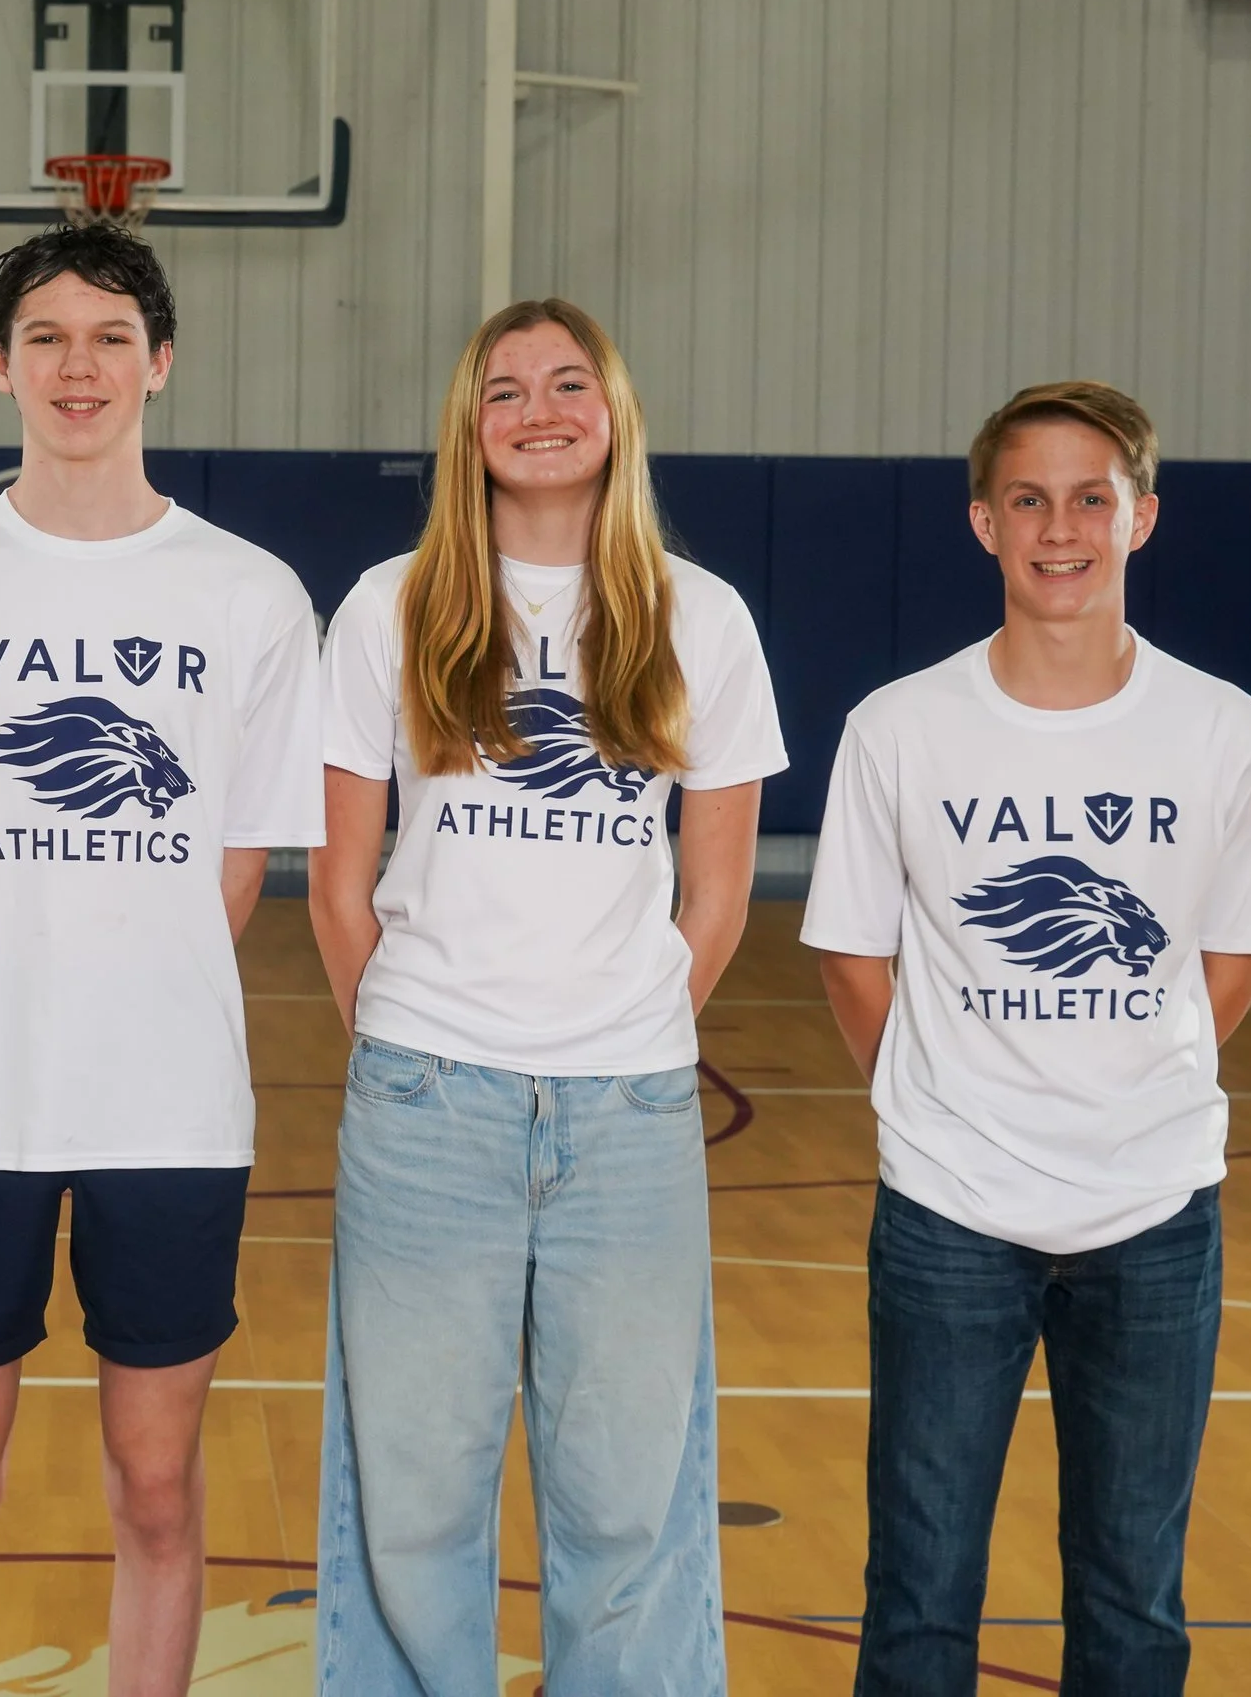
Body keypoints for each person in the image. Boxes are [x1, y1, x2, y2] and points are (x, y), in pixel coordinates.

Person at [0, 225, 324, 1695]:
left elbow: (236, 868)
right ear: (0, 365)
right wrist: (23, 963)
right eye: (46, 336)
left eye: (111, 334)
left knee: (160, 1483)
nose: (79, 363)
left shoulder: (247, 592)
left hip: (170, 1108)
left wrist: (123, 967)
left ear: (160, 363)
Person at [309, 299, 785, 1693]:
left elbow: (719, 892)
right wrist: (414, 1034)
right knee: (412, 1497)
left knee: (629, 1499)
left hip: (630, 1110)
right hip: (425, 1103)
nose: (539, 407)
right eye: (505, 387)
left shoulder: (703, 616)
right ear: (469, 426)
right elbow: (341, 888)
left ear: (615, 413)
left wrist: (620, 1023)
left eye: (569, 381)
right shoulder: (390, 604)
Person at [802, 382, 1251, 1697]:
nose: (1062, 526)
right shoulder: (899, 726)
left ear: (1143, 515)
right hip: (947, 1211)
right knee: (916, 1595)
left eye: (1093, 497)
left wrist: (1131, 1074)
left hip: (1155, 1207)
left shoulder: (1227, 732)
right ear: (983, 522)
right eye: (1030, 497)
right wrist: (941, 1097)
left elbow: (1233, 953)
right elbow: (857, 952)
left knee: (1134, 1598)